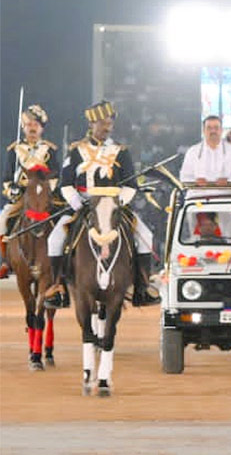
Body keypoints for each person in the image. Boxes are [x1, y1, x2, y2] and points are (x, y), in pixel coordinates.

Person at [44, 101, 159, 309]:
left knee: (146, 235)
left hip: (113, 206)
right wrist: (77, 203)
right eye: (102, 123)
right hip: (83, 205)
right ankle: (57, 287)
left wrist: (117, 202)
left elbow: (131, 185)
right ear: (91, 124)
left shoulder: (121, 151)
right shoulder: (76, 151)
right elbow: (66, 183)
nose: (107, 128)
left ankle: (143, 286)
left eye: (109, 124)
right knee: (55, 239)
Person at [0, 104, 58, 277]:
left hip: (44, 196)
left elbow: (55, 176)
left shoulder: (49, 150)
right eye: (29, 125)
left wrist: (47, 190)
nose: (32, 128)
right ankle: (4, 260)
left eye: (36, 125)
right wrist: (14, 190)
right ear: (23, 127)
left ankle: (61, 262)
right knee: (2, 220)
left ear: (41, 128)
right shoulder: (14, 150)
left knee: (62, 220)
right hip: (22, 196)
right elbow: (6, 179)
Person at [180, 115, 231, 186]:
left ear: (221, 130)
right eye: (209, 128)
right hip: (198, 194)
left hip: (226, 194)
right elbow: (184, 177)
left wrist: (228, 181)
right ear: (203, 131)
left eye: (216, 128)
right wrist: (196, 181)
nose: (213, 131)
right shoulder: (193, 151)